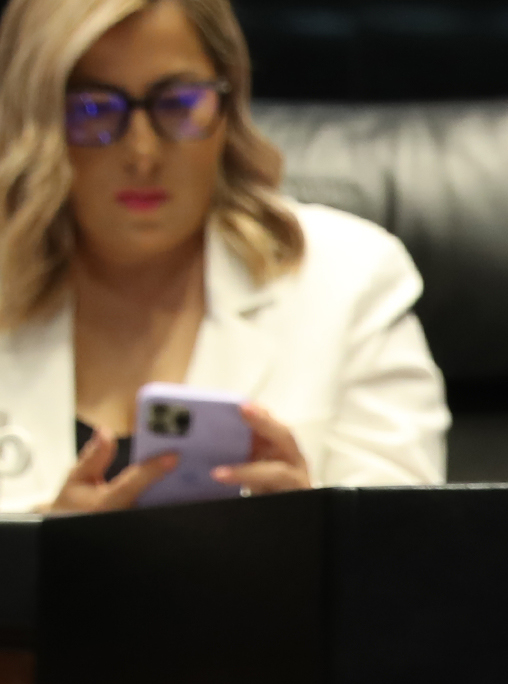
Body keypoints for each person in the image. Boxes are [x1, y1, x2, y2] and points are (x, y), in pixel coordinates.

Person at [0, 0, 447, 514]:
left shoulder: (349, 280)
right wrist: (42, 547)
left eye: (177, 103)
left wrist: (313, 534)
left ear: (228, 106)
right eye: (93, 110)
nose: (142, 153)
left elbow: (408, 550)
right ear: (35, 121)